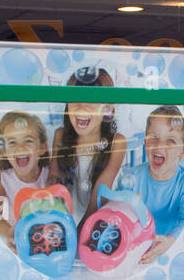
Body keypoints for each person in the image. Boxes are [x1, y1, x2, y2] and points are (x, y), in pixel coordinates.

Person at [117, 105, 184, 264]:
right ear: (145, 142)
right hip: (133, 253)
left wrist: (170, 240)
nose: (159, 145)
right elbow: (116, 214)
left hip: (169, 255)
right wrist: (126, 207)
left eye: (170, 140)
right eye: (153, 137)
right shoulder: (131, 177)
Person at [51, 66, 128, 229]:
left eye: (92, 100)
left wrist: (81, 230)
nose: (81, 107)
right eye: (75, 99)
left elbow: (100, 191)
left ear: (108, 109)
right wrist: (56, 219)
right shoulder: (60, 136)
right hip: (70, 216)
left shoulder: (117, 143)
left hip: (104, 221)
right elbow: (54, 179)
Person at [0, 111, 49, 249]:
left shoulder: (50, 177)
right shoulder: (2, 179)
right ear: (4, 151)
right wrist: (9, 232)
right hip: (18, 244)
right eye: (12, 142)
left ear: (42, 147)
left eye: (28, 140)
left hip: (46, 242)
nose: (20, 147)